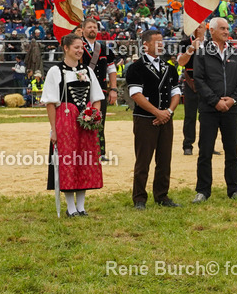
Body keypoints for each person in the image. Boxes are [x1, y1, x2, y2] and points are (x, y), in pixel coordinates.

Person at [44, 33, 104, 217]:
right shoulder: (55, 71)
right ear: (66, 48)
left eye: (81, 47)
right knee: (68, 161)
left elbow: (97, 98)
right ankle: (70, 207)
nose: (79, 51)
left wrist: (93, 114)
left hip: (85, 122)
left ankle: (82, 206)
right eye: (76, 47)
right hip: (66, 119)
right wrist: (53, 129)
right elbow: (50, 103)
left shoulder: (88, 71)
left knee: (85, 159)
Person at [193, 17, 237, 202]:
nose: (227, 31)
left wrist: (233, 99)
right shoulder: (201, 52)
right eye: (223, 29)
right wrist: (215, 101)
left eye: (227, 28)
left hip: (230, 110)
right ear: (212, 31)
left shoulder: (235, 52)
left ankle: (234, 189)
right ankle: (203, 191)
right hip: (209, 109)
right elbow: (199, 81)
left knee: (232, 150)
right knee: (205, 151)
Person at [126, 28, 182, 209]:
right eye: (157, 42)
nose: (161, 45)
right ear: (146, 45)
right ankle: (139, 198)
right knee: (143, 160)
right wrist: (158, 112)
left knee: (164, 159)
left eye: (162, 42)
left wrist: (169, 112)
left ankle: (162, 195)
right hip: (145, 119)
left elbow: (176, 93)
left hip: (166, 119)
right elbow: (135, 94)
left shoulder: (169, 68)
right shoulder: (136, 67)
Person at [80, 18, 119, 162]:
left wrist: (113, 89)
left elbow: (111, 68)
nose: (92, 30)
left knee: (99, 121)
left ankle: (100, 151)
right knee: (80, 120)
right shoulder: (77, 46)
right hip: (82, 91)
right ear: (83, 29)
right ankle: (82, 151)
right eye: (89, 27)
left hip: (101, 91)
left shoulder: (104, 48)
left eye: (95, 27)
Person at [176, 23, 206, 156]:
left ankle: (207, 144)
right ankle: (188, 144)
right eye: (195, 26)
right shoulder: (184, 43)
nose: (198, 29)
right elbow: (181, 62)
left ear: (206, 28)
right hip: (191, 82)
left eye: (201, 26)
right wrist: (191, 49)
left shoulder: (212, 43)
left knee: (208, 116)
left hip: (208, 84)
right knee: (190, 116)